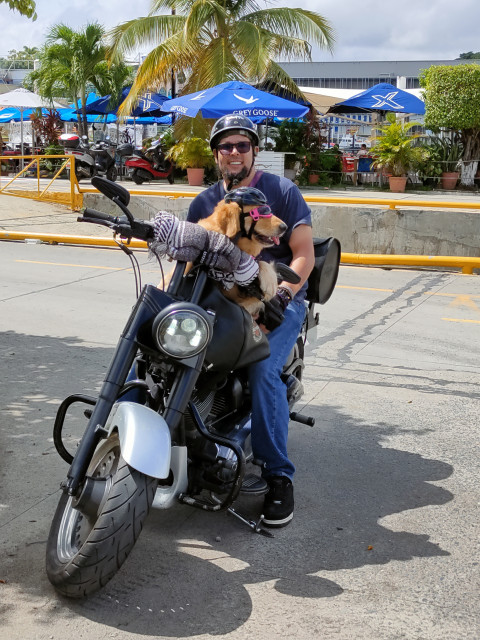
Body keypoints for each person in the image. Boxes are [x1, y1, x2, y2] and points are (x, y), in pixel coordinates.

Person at [187, 114, 315, 527]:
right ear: (216, 154)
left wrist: (283, 295)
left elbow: (303, 254)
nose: (235, 153)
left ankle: (278, 476)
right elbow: (189, 255)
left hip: (276, 297)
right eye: (227, 147)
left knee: (262, 368)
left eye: (243, 145)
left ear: (254, 150)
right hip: (220, 296)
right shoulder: (205, 202)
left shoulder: (281, 191)